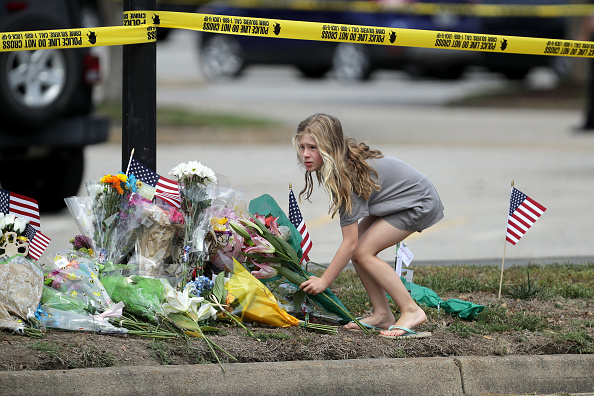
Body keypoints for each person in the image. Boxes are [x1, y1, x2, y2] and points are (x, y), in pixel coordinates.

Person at [295, 114, 444, 339]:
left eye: (313, 147)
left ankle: (412, 310)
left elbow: (350, 241)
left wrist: (324, 280)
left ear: (330, 147)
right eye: (302, 147)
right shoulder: (340, 168)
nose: (305, 154)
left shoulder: (345, 176)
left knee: (362, 252)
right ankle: (383, 314)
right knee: (359, 253)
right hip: (397, 202)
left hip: (417, 203)